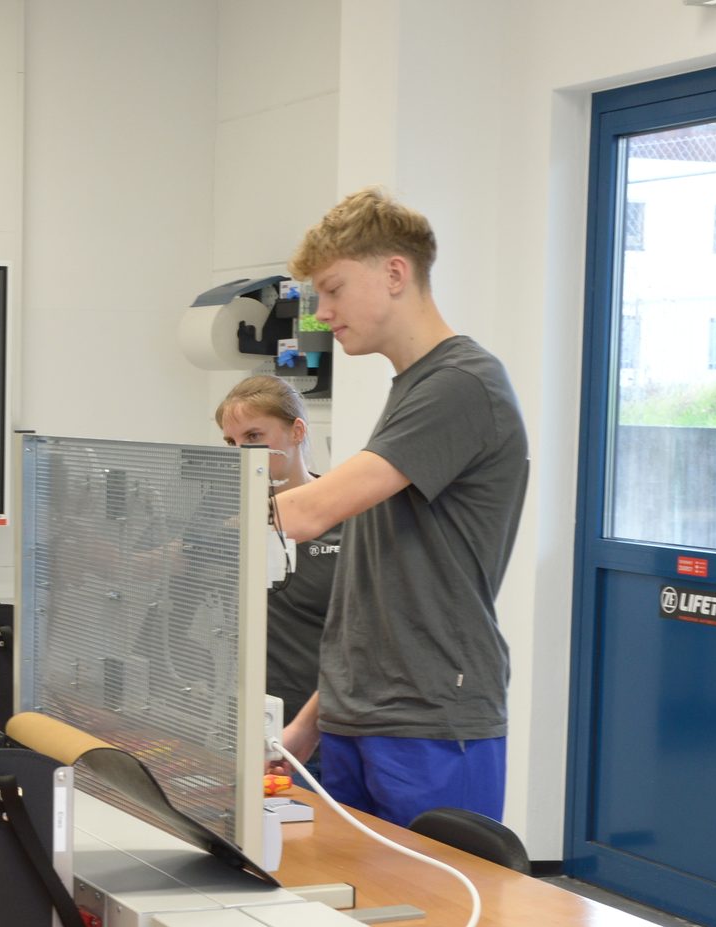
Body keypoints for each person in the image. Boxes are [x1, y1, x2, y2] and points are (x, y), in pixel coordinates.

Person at [272, 188, 529, 826]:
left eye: (332, 290)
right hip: (358, 719)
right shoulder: (412, 390)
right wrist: (308, 726)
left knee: (442, 918)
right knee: (360, 920)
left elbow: (307, 514)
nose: (322, 313)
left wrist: (198, 522)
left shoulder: (462, 385)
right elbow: (373, 595)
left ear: (394, 273)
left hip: (431, 719)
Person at [216, 374, 340, 761]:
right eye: (232, 443)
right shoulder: (230, 523)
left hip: (321, 737)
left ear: (297, 431)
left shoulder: (346, 516)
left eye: (254, 437)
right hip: (248, 727)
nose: (243, 453)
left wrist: (309, 728)